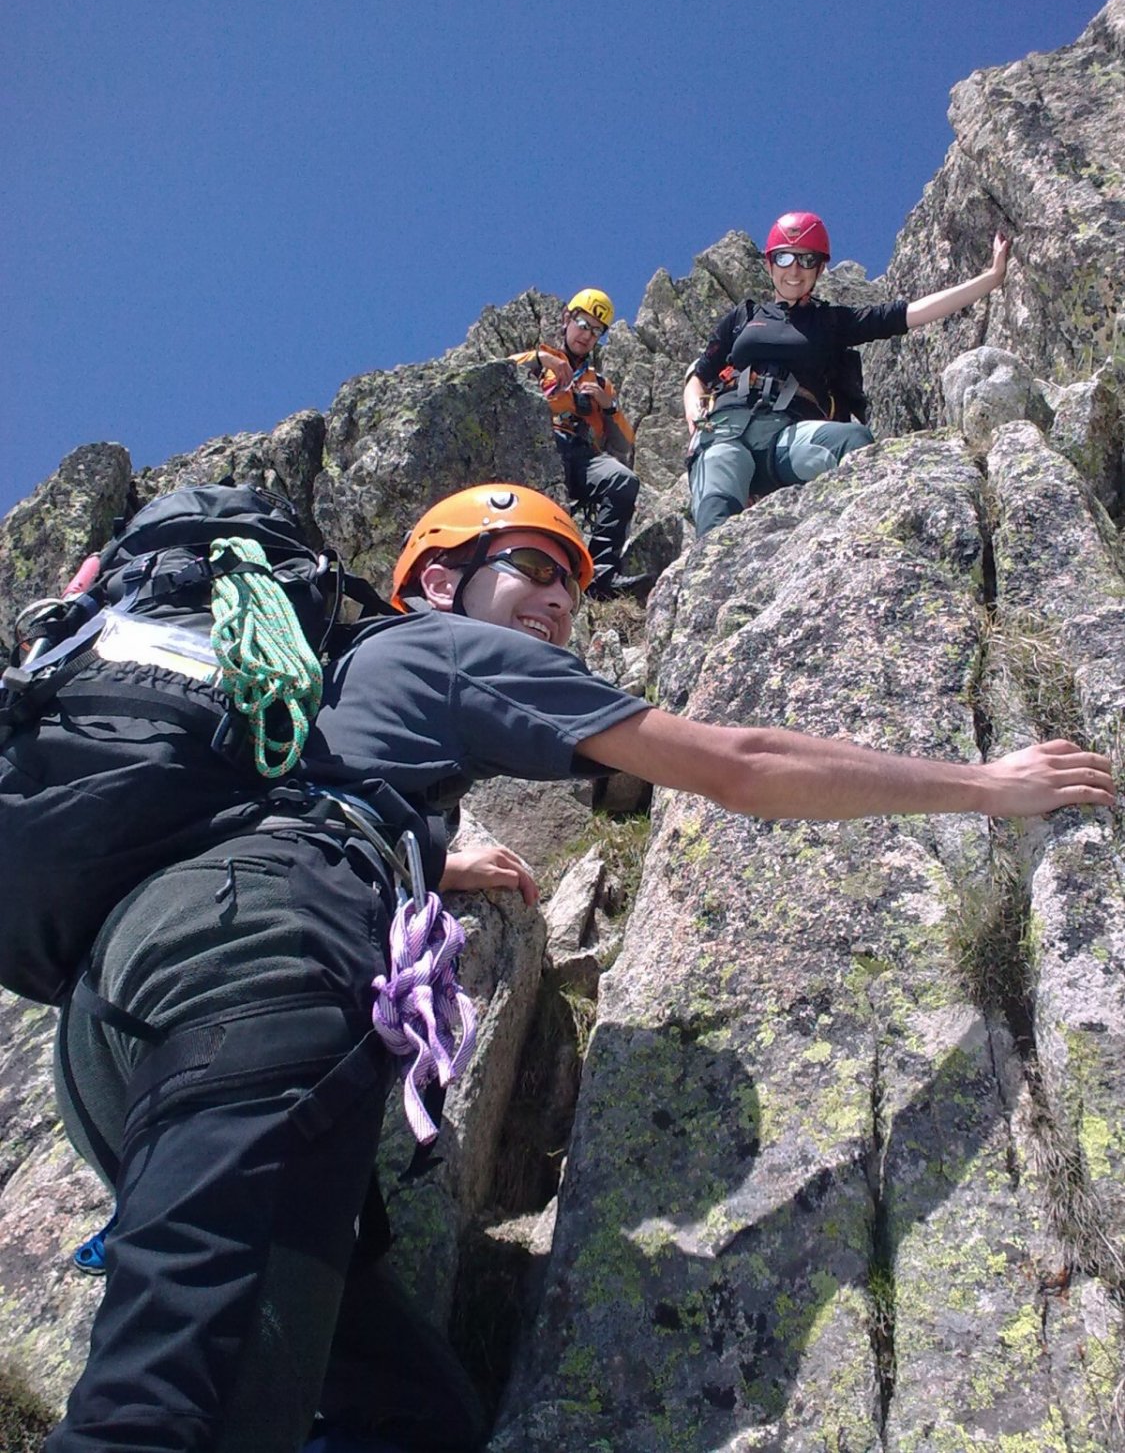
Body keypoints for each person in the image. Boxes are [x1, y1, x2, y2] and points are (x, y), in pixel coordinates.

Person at [47, 483, 1113, 1453]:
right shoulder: (445, 651)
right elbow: (737, 767)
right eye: (534, 566)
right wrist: (985, 783)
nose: (564, 601)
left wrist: (421, 850)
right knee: (171, 1414)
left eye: (576, 581)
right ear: (435, 581)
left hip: (111, 1027)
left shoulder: (317, 687)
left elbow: (298, 800)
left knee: (405, 1415)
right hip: (255, 978)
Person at [683, 210, 1012, 537]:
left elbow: (910, 314)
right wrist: (696, 421)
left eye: (807, 260)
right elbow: (698, 376)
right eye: (784, 258)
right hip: (725, 431)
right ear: (770, 263)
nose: (794, 270)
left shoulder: (832, 322)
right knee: (715, 522)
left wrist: (991, 278)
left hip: (784, 438)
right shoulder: (744, 315)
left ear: (820, 268)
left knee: (855, 443)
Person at [511, 289, 650, 599]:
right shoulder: (539, 362)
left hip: (583, 455)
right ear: (566, 319)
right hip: (541, 446)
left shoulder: (599, 384)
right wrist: (537, 359)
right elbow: (494, 374)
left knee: (622, 480)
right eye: (583, 324)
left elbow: (624, 444)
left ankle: (601, 574)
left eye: (596, 330)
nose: (587, 335)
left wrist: (609, 406)